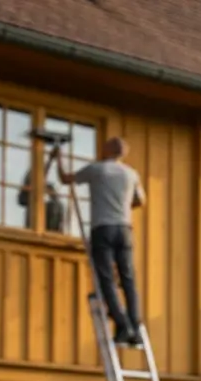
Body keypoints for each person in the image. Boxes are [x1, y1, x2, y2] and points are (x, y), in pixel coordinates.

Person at [57, 137, 145, 347]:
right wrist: (121, 206)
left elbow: (65, 179)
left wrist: (58, 157)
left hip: (103, 229)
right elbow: (141, 200)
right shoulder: (131, 173)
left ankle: (122, 324)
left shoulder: (97, 170)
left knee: (106, 279)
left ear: (107, 149)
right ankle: (135, 326)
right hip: (124, 229)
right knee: (128, 279)